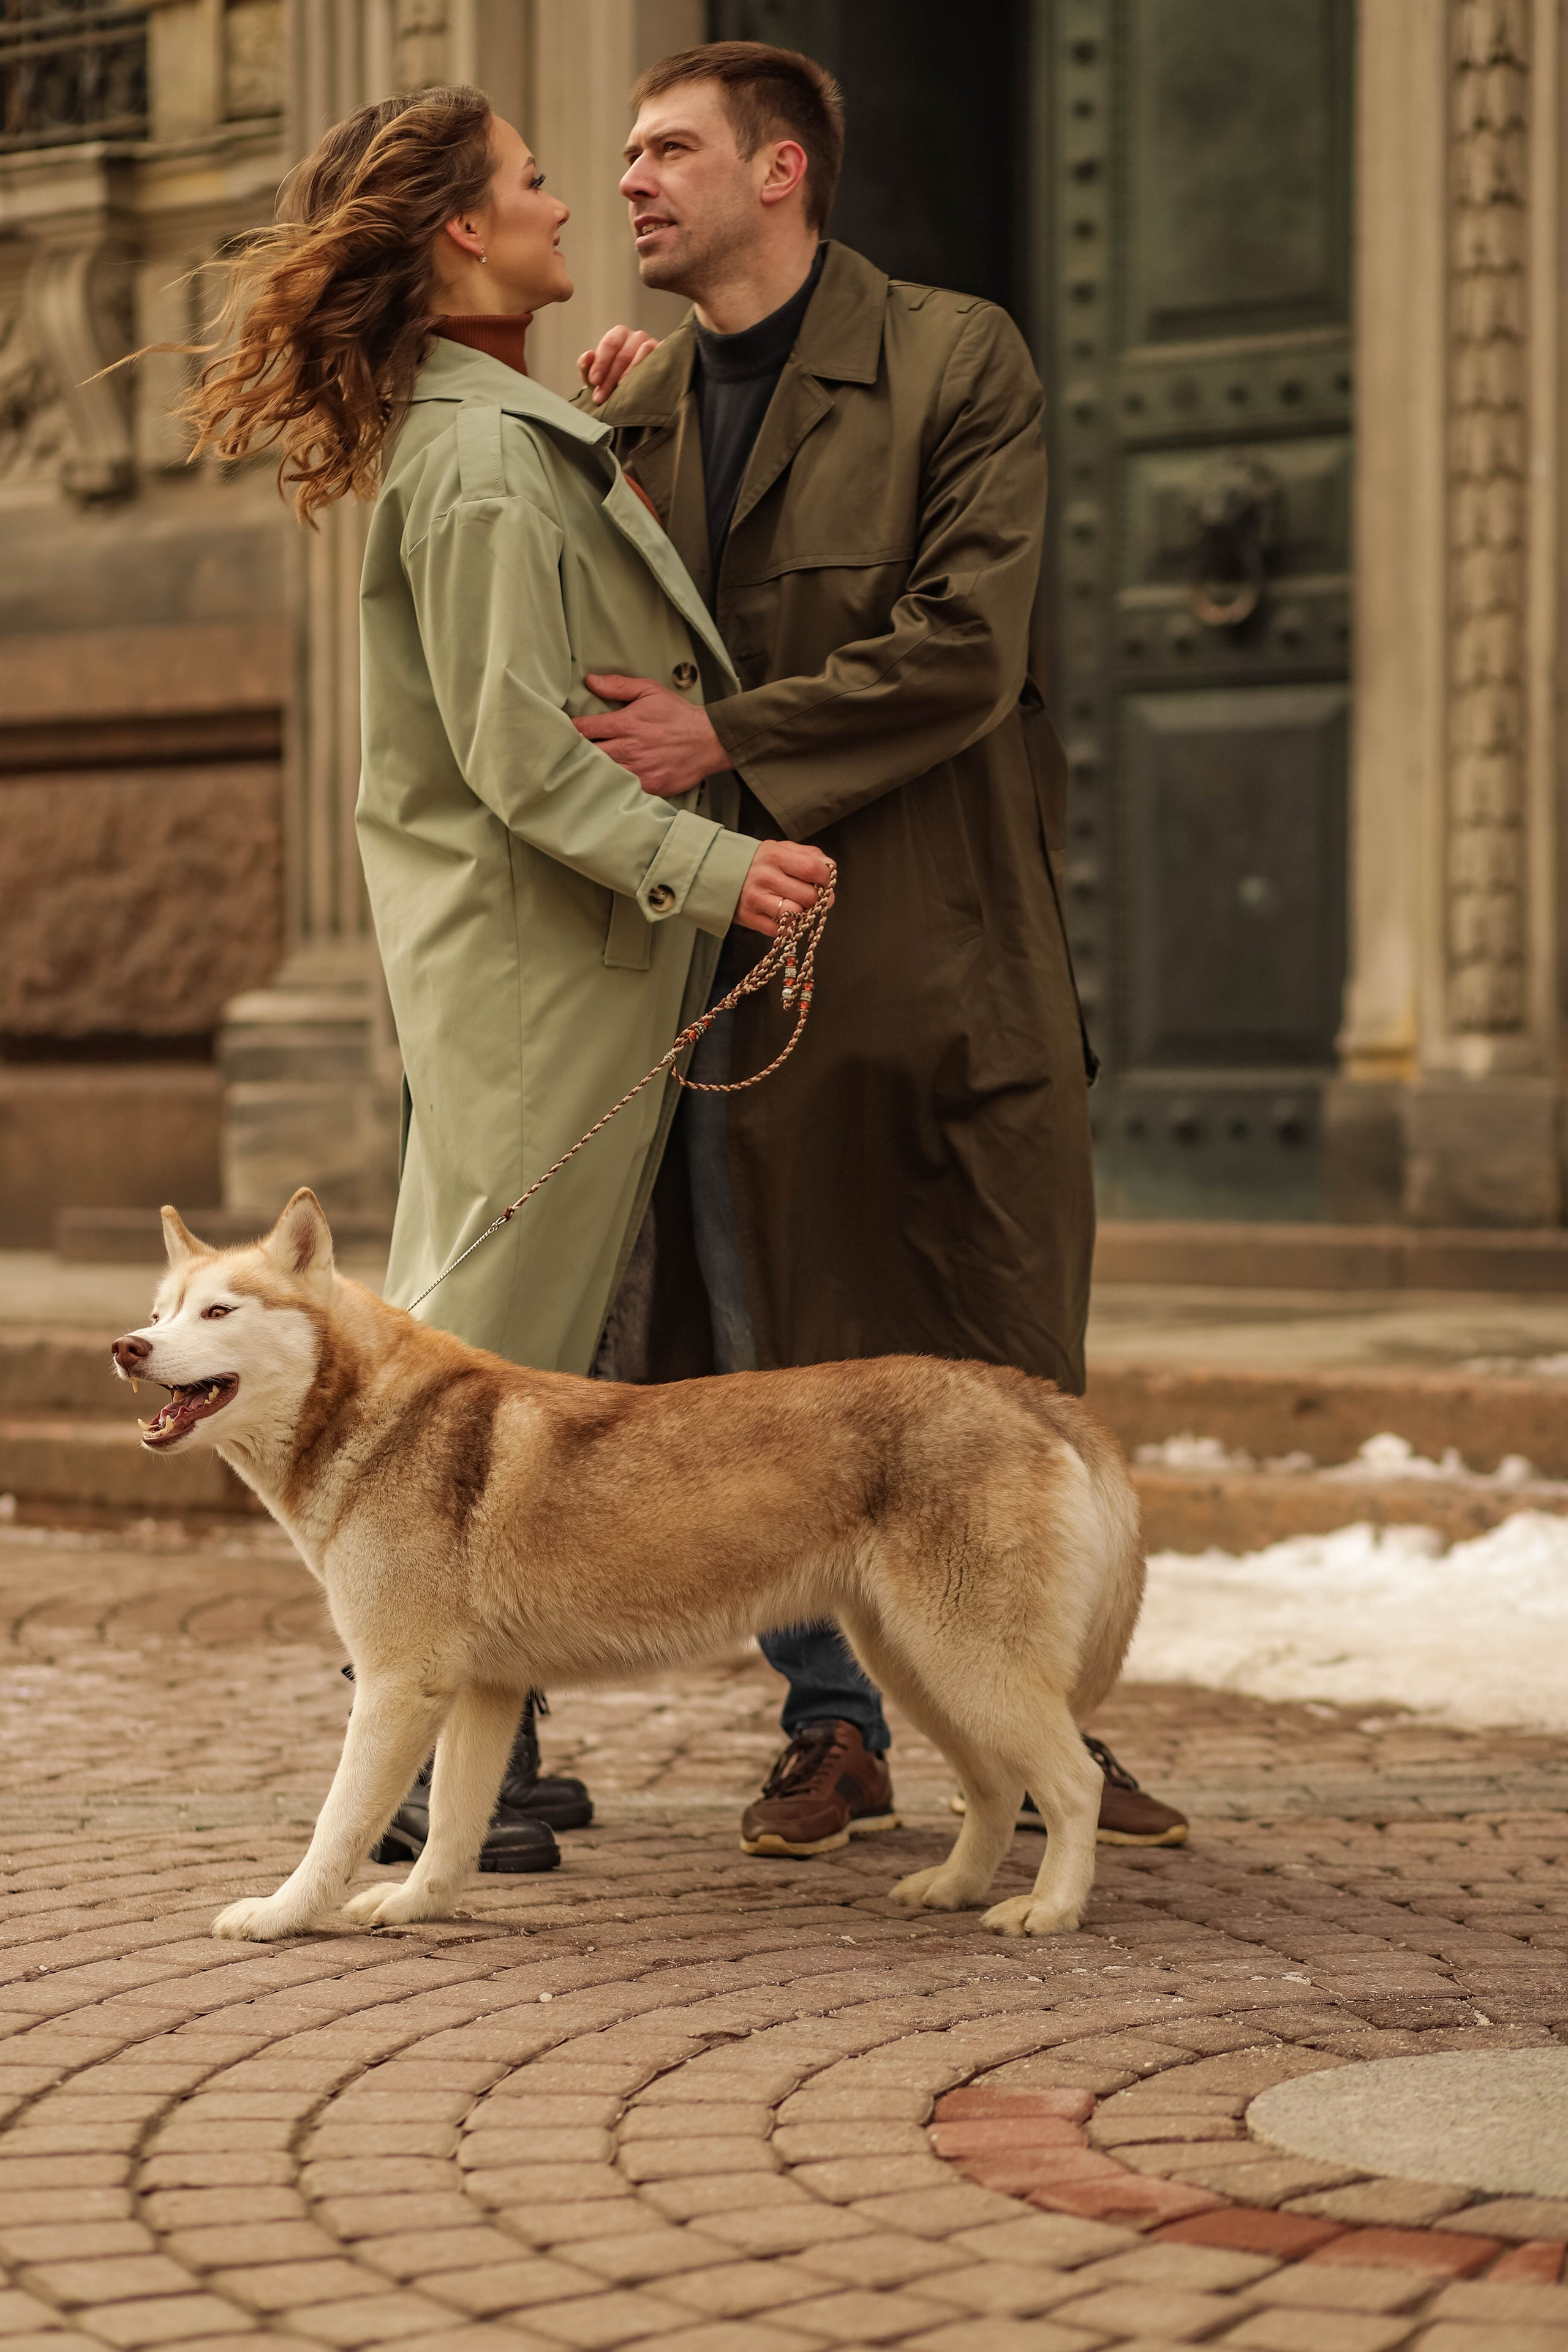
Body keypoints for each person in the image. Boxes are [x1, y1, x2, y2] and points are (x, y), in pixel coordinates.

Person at [181, 82, 832, 1874]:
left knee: (521, 1342)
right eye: (539, 182)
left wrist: (590, 412)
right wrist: (732, 869)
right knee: (489, 1369)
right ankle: (433, 1781)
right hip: (548, 975)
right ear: (466, 233)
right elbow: (522, 759)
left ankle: (490, 1752)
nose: (573, 202)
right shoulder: (476, 461)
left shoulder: (498, 433)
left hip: (550, 968)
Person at [573, 40, 1188, 1856]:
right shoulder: (642, 408)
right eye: (615, 156)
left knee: (1006, 1348)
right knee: (769, 1357)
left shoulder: (956, 355)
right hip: (741, 968)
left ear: (782, 174)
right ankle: (831, 1730)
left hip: (949, 950)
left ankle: (1049, 1728)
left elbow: (964, 639)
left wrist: (730, 736)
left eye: (670, 149)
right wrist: (603, 424)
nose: (630, 181)